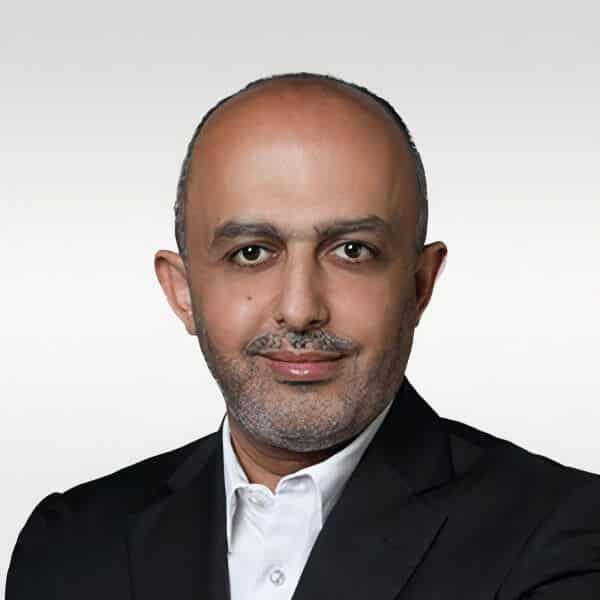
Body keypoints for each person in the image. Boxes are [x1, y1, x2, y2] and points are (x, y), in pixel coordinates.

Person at [6, 72, 600, 600]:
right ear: (182, 292)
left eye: (352, 251)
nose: (299, 309)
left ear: (419, 285)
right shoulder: (70, 544)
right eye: (251, 253)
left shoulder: (566, 535)